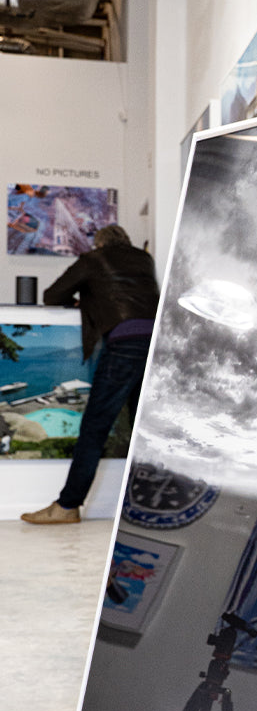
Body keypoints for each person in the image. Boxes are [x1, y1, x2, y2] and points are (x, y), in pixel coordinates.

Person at [20, 224, 159, 525]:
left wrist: (83, 298)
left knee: (94, 430)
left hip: (125, 346)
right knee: (144, 432)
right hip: (156, 344)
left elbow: (52, 295)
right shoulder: (144, 260)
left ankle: (67, 506)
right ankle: (147, 508)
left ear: (99, 243)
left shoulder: (93, 259)